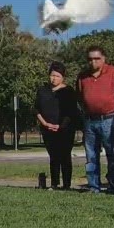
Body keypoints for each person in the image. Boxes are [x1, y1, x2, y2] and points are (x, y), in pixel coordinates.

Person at [77, 46, 114, 193]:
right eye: (90, 59)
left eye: (97, 59)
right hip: (89, 120)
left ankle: (113, 185)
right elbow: (80, 97)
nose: (93, 62)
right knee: (91, 155)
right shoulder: (82, 76)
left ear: (104, 58)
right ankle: (93, 186)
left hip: (109, 119)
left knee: (111, 153)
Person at [32, 61, 81, 191]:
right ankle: (54, 184)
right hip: (47, 128)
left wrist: (60, 126)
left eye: (58, 76)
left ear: (63, 77)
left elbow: (71, 112)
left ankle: (66, 184)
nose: (54, 78)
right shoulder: (42, 91)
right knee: (53, 156)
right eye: (52, 75)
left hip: (65, 129)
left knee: (65, 156)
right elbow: (36, 109)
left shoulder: (68, 91)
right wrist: (45, 123)